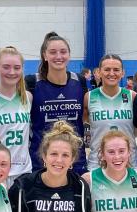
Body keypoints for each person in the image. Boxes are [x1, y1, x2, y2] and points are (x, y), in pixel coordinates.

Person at [26, 32, 89, 175]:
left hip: (75, 160)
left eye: (63, 52)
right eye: (53, 52)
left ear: (69, 55)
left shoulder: (79, 81)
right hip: (41, 161)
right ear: (45, 55)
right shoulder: (32, 82)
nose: (59, 56)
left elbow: (86, 115)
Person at [0, 47, 32, 185]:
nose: (12, 72)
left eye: (17, 67)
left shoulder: (27, 98)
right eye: (6, 67)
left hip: (24, 172)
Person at [86, 54, 135, 170]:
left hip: (128, 164)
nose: (112, 73)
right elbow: (86, 121)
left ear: (123, 72)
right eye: (107, 69)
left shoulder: (132, 96)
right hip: (97, 164)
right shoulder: (89, 97)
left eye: (116, 70)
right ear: (98, 72)